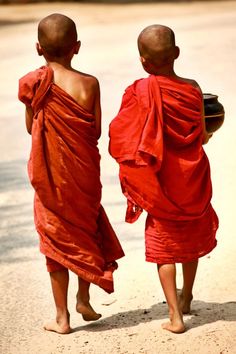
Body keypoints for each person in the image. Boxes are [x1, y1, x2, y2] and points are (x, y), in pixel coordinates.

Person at [18, 13, 124, 334]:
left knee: (56, 244)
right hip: (83, 176)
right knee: (84, 233)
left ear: (38, 48)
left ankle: (62, 317)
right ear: (76, 47)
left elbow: (29, 128)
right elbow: (94, 131)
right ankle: (84, 298)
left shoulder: (32, 83)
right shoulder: (90, 83)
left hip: (50, 179)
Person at [109, 24, 218, 333]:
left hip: (162, 182)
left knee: (164, 247)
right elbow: (203, 136)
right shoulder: (193, 87)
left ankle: (175, 315)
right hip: (192, 176)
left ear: (143, 61)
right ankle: (188, 296)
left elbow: (123, 134)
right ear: (177, 54)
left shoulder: (139, 91)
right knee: (191, 240)